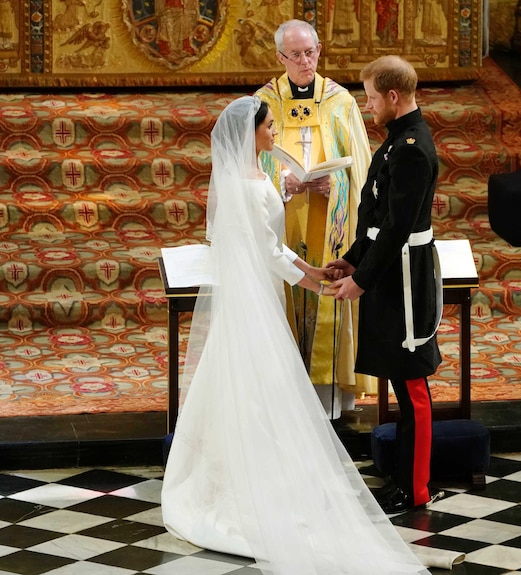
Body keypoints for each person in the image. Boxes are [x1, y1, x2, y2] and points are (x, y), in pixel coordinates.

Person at [161, 95, 431, 575]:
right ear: (252, 133)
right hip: (254, 297)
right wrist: (312, 281)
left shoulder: (255, 174)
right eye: (268, 127)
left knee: (258, 386)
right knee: (254, 386)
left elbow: (274, 246)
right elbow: (266, 252)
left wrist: (314, 270)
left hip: (262, 288)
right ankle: (240, 486)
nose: (273, 133)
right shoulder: (243, 186)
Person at [329, 56, 442, 514]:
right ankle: (402, 477)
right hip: (388, 269)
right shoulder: (398, 140)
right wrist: (352, 259)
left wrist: (361, 279)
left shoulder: (412, 147)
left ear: (393, 97)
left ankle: (416, 488)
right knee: (400, 379)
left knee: (412, 385)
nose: (368, 104)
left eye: (372, 97)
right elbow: (375, 218)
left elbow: (397, 228)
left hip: (405, 280)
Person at [256, 19, 373, 418]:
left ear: (319, 51)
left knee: (329, 290)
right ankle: (282, 398)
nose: (305, 62)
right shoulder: (264, 102)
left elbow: (361, 170)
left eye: (311, 53)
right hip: (284, 217)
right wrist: (284, 184)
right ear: (280, 58)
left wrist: (335, 185)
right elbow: (251, 163)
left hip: (330, 221)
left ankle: (329, 402)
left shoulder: (340, 101)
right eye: (296, 55)